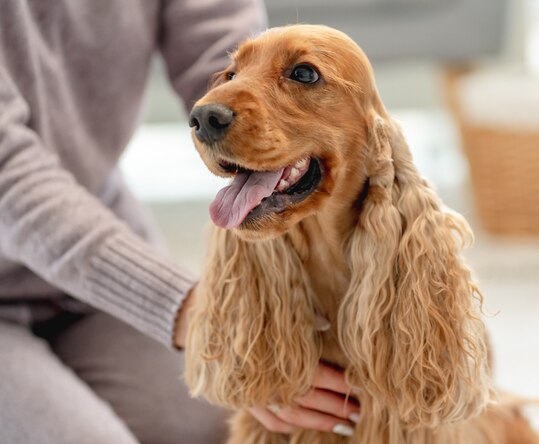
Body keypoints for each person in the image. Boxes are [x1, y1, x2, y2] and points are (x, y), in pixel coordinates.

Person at [0, 1, 359, 443]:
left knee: (218, 427)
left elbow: (231, 63)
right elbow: (7, 177)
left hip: (95, 282)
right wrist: (195, 313)